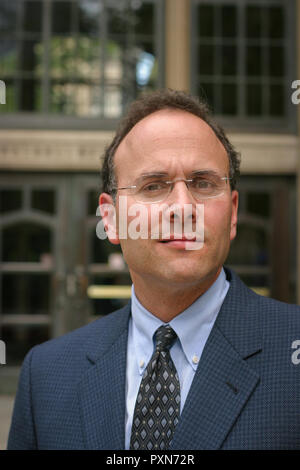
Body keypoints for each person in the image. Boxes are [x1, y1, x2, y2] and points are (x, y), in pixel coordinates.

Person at [7, 89, 300, 450]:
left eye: (203, 184)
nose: (182, 207)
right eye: (154, 186)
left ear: (233, 212)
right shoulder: (46, 375)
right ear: (111, 219)